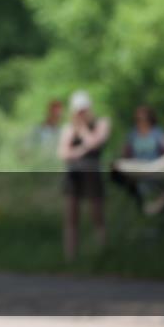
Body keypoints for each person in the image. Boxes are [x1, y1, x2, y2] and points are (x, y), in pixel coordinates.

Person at [57, 90, 110, 262]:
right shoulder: (69, 128)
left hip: (92, 172)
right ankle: (70, 257)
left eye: (83, 110)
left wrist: (82, 129)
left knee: (97, 214)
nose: (81, 113)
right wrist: (81, 149)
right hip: (74, 173)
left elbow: (94, 143)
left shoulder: (101, 123)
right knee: (71, 216)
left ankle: (103, 253)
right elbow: (63, 153)